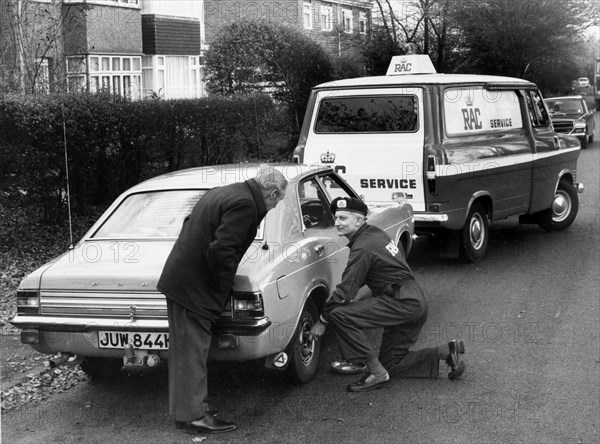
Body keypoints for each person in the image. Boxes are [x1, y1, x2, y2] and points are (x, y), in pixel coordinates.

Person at [157, 165, 287, 433]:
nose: (274, 208)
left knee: (185, 351)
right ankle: (194, 416)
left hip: (181, 279)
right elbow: (221, 251)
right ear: (273, 193)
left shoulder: (225, 192)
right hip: (194, 286)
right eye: (277, 201)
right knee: (193, 351)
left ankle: (188, 411)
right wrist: (223, 286)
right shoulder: (246, 205)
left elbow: (192, 226)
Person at [309, 197, 465, 392]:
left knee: (339, 314)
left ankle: (376, 374)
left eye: (343, 218)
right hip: (413, 299)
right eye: (336, 218)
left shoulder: (363, 246)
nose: (337, 223)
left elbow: (346, 291)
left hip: (401, 301)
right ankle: (445, 352)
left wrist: (322, 320)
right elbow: (366, 276)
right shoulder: (375, 234)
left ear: (358, 221)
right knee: (391, 363)